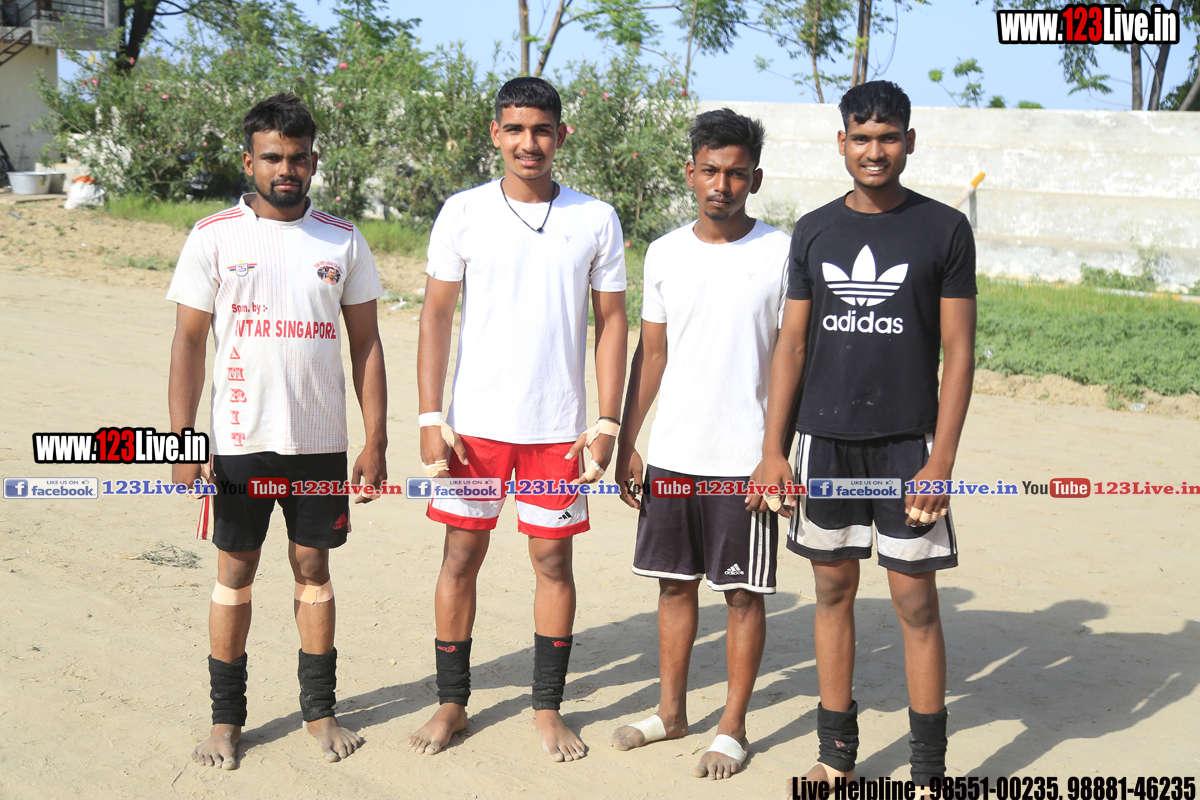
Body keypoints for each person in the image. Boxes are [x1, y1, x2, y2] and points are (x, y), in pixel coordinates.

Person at [748, 80, 976, 791]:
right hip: (825, 442)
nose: (874, 151)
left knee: (915, 602)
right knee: (832, 592)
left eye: (888, 138)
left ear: (909, 141)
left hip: (908, 447)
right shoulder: (815, 229)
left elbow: (960, 352)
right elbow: (791, 345)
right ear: (841, 142)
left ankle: (928, 770)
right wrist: (773, 451)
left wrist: (941, 460)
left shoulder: (944, 229)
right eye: (861, 138)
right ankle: (836, 754)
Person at [407, 77, 628, 763]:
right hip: (473, 430)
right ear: (495, 134)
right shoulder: (464, 212)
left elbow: (611, 323)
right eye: (515, 129)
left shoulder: (596, 218)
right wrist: (430, 414)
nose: (528, 142)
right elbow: (436, 314)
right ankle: (452, 702)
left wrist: (608, 423)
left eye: (541, 129)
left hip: (557, 431)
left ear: (561, 135)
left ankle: (547, 706)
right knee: (460, 556)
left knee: (553, 561)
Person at [167, 93, 388, 769]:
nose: (284, 169)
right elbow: (188, 343)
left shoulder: (342, 239)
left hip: (320, 443)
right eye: (271, 157)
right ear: (249, 161)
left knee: (313, 568)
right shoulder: (213, 236)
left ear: (313, 162)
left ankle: (320, 713)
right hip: (240, 440)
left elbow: (367, 344)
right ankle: (225, 721)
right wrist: (182, 440)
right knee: (235, 570)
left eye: (296, 158)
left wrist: (375, 439)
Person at [608, 108, 791, 781]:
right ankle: (671, 711)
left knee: (741, 594)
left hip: (747, 460)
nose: (722, 184)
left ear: (755, 179)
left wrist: (777, 453)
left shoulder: (782, 253)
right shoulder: (664, 252)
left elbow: (792, 358)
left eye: (736, 173)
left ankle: (732, 728)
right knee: (673, 586)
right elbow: (651, 353)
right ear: (690, 172)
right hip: (674, 453)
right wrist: (629, 440)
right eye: (710, 170)